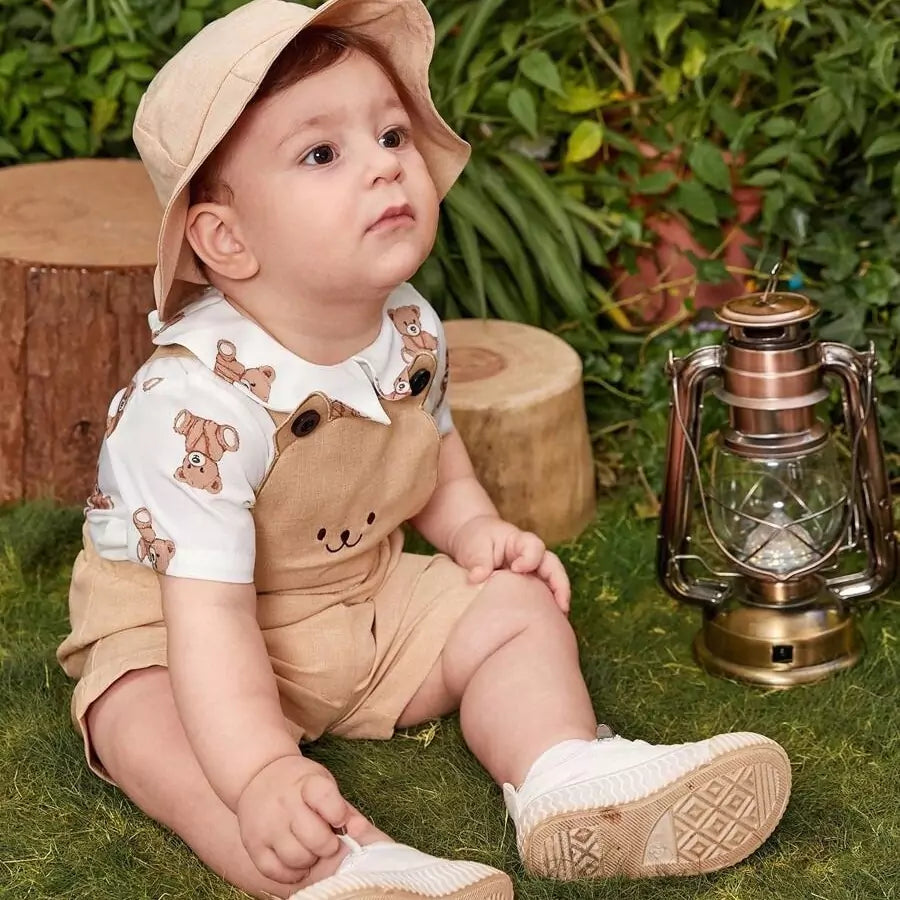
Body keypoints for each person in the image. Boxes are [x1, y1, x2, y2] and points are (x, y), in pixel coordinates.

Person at [56, 1, 792, 897]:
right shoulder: (194, 404)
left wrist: (476, 530)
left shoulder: (409, 326)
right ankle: (340, 867)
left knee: (515, 607)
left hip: (359, 599)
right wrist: (258, 772)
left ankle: (563, 775)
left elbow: (431, 445)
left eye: (393, 134)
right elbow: (209, 620)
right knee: (147, 724)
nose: (384, 167)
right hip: (184, 630)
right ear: (227, 238)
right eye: (322, 153)